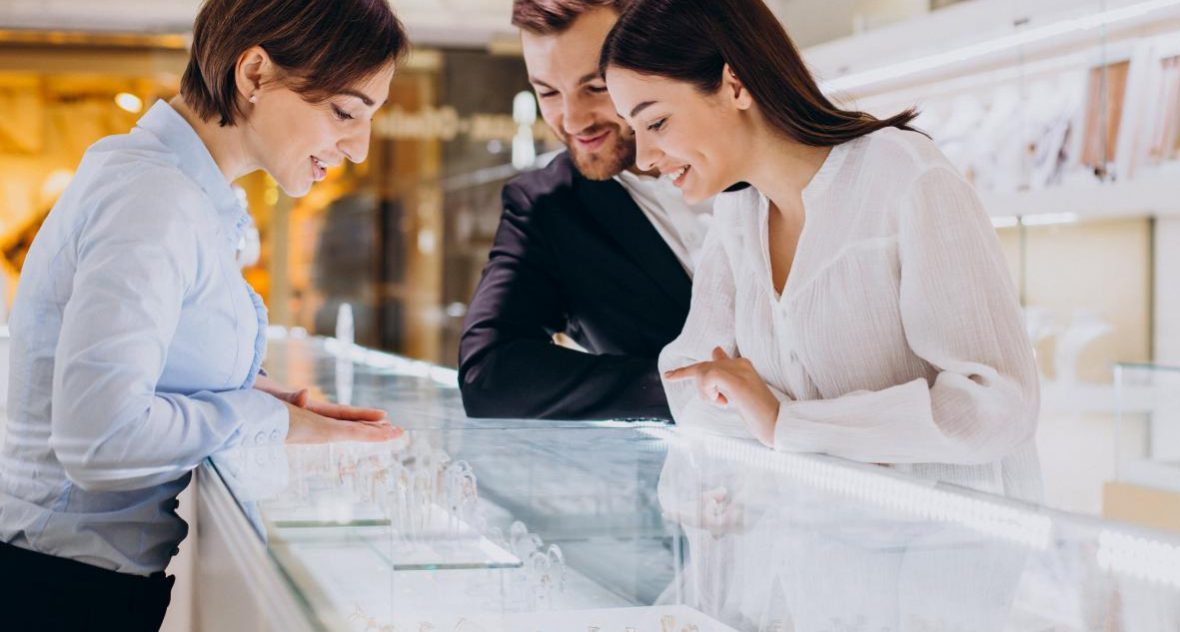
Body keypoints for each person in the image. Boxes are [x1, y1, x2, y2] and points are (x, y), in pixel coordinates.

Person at [0, 0, 408, 629]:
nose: (358, 147)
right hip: (57, 592)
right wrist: (270, 420)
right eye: (344, 112)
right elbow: (98, 439)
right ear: (254, 75)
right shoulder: (154, 199)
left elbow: (157, 360)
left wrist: (283, 402)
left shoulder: (177, 190)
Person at [602, 0, 1041, 499]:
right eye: (632, 129)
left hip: (936, 559)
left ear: (735, 84)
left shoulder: (903, 176)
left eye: (655, 122)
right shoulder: (738, 215)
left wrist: (786, 423)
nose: (643, 157)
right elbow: (689, 383)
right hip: (807, 550)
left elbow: (997, 405)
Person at [457, 0, 714, 422]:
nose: (574, 121)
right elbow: (490, 375)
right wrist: (687, 388)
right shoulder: (547, 207)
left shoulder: (757, 164)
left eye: (596, 86)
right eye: (548, 92)